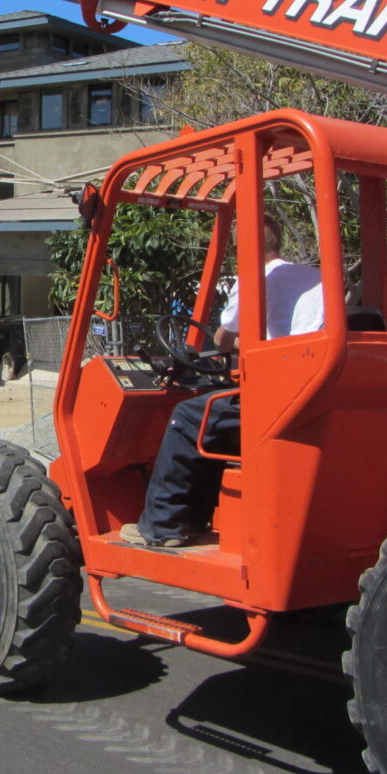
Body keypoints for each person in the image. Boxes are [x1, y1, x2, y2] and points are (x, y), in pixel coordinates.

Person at [121, 217, 322, 548]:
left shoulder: (255, 278)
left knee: (187, 416)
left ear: (244, 248)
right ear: (279, 241)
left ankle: (162, 525)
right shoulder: (315, 277)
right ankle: (197, 517)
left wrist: (232, 344)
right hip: (310, 389)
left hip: (277, 394)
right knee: (215, 413)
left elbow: (224, 338)